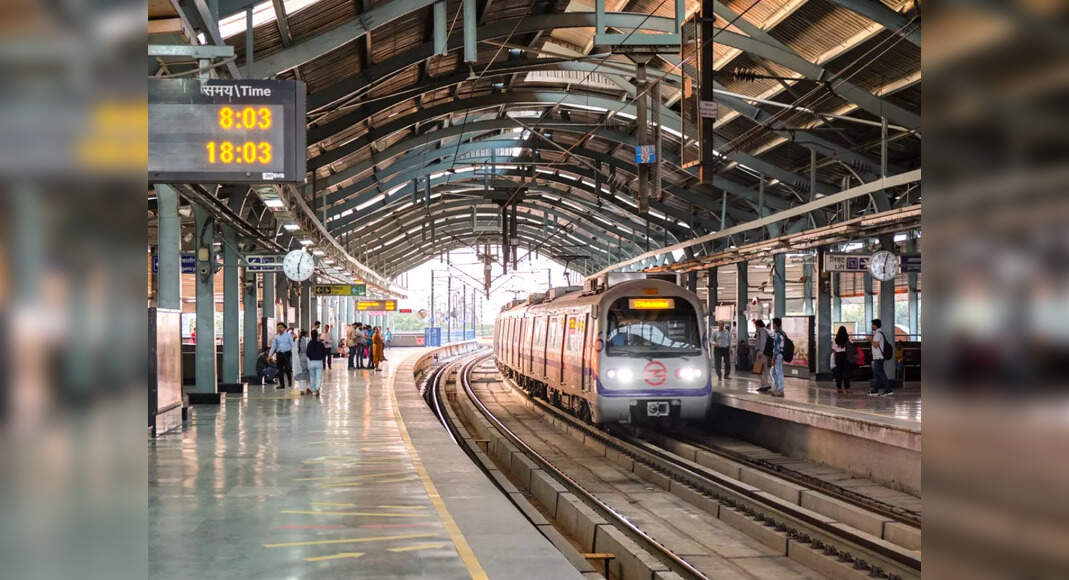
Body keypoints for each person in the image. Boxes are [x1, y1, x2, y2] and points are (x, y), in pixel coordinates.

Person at [869, 318, 892, 397]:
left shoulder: (878, 334)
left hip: (879, 357)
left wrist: (870, 340)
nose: (871, 326)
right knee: (877, 374)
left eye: (872, 324)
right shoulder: (878, 333)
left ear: (875, 325)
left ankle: (888, 390)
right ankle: (875, 390)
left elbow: (875, 345)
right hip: (878, 357)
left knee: (880, 374)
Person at [268, 323, 294, 389]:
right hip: (279, 354)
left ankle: (290, 382)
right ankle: (282, 385)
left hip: (287, 354)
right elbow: (274, 346)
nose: (279, 329)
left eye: (281, 327)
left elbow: (292, 345)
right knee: (280, 370)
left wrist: (294, 354)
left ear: (284, 328)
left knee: (288, 369)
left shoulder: (288, 336)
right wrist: (269, 355)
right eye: (278, 327)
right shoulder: (276, 337)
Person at [831, 326, 854, 393]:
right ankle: (847, 388)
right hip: (846, 356)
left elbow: (834, 350)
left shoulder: (835, 340)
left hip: (838, 356)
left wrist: (835, 359)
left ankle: (839, 388)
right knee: (846, 372)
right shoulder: (848, 339)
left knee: (839, 372)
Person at [306, 330, 327, 397]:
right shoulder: (320, 344)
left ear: (311, 335)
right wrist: (321, 358)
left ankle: (313, 390)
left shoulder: (309, 344)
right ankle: (317, 388)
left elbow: (307, 353)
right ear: (317, 335)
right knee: (318, 376)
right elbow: (324, 353)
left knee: (312, 377)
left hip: (311, 362)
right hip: (319, 362)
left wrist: (311, 357)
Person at [754, 320, 773, 392]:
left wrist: (760, 352)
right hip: (764, 353)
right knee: (764, 369)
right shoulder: (765, 330)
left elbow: (763, 342)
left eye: (755, 325)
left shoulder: (762, 332)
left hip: (762, 353)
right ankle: (765, 384)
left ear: (758, 325)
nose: (755, 326)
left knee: (760, 369)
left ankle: (764, 385)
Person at [769, 317, 785, 397]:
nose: (772, 325)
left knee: (778, 372)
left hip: (778, 355)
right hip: (780, 355)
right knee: (773, 372)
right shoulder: (782, 333)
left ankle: (780, 390)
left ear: (775, 324)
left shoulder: (777, 334)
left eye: (773, 323)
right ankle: (777, 388)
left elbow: (776, 347)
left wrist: (773, 358)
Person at [293, 329, 310, 394]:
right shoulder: (307, 340)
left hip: (299, 358)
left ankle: (301, 389)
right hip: (307, 358)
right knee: (308, 373)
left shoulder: (297, 341)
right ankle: (308, 388)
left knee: (301, 374)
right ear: (305, 334)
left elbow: (294, 351)